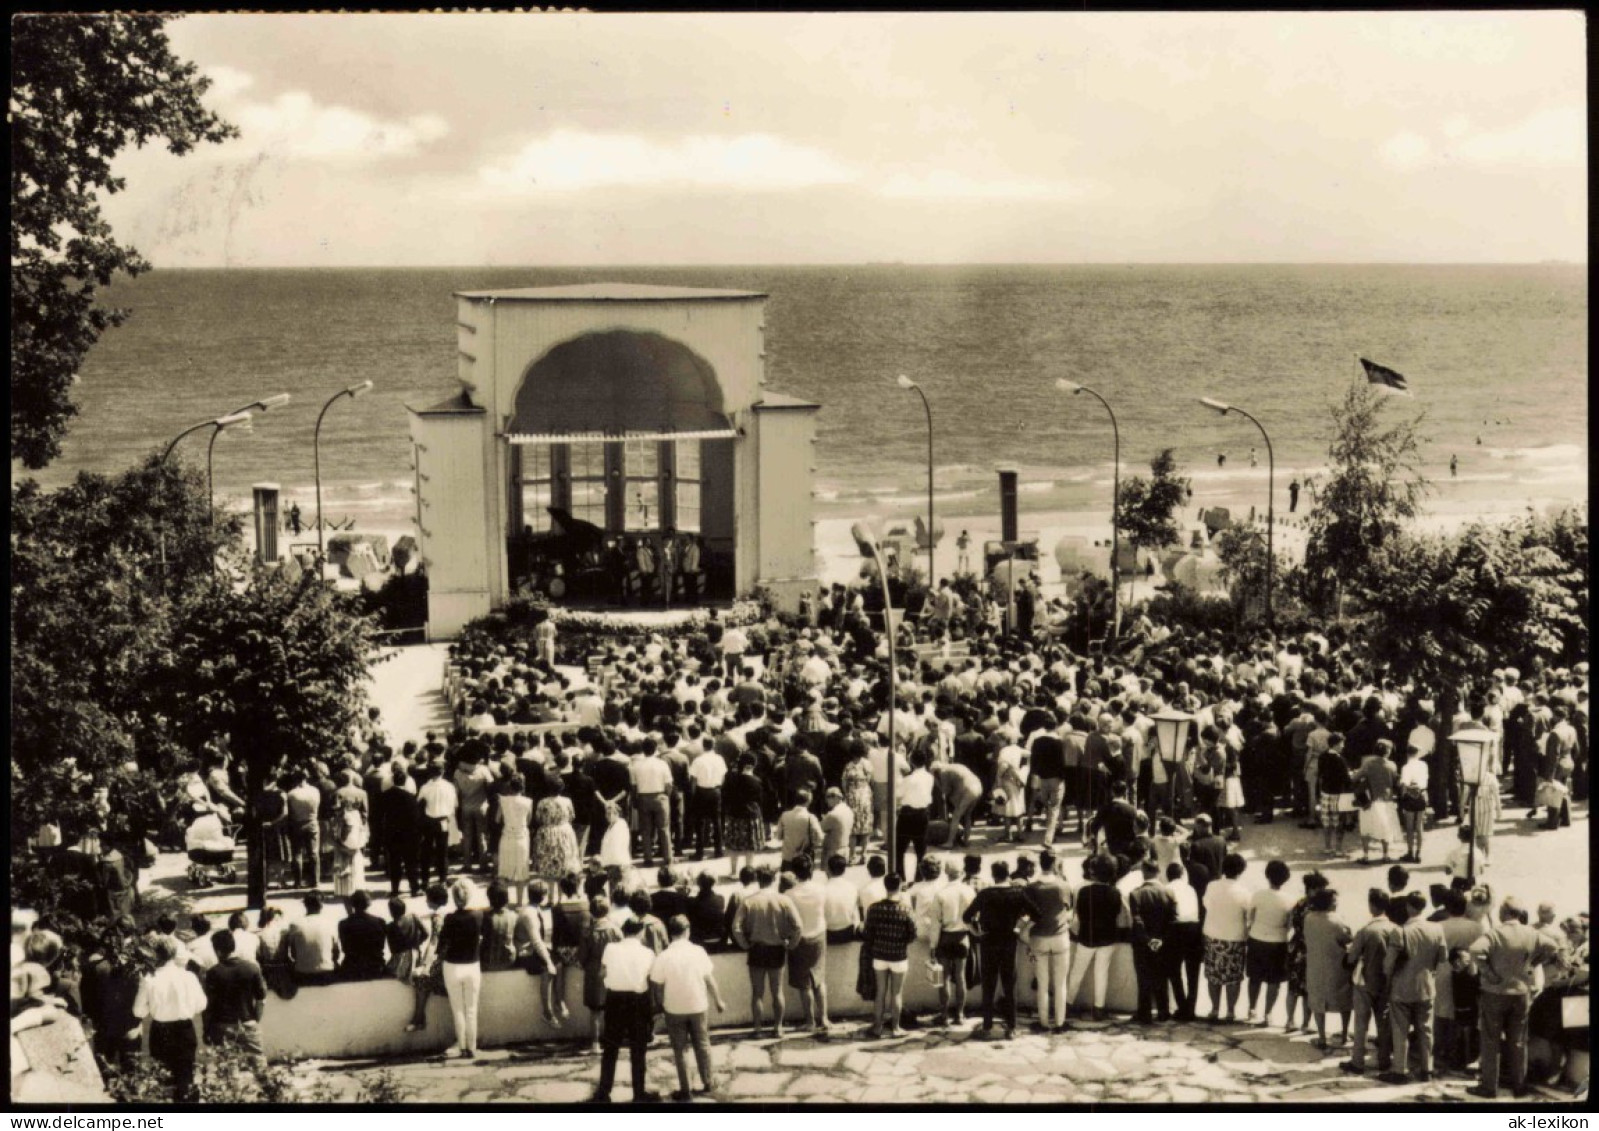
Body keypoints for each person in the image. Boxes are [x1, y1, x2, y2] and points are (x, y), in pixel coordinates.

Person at [1467, 897, 1565, 1099]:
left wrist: (1488, 972)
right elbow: (1553, 948)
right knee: (1518, 1041)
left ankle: (1488, 1087)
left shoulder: (1495, 933)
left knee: (1490, 1041)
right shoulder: (1532, 933)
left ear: (1504, 912)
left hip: (1494, 993)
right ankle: (1519, 1086)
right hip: (1521, 993)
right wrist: (1533, 962)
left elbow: (1475, 950)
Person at [965, 859, 1043, 1039]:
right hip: (1009, 941)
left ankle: (987, 1025)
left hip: (988, 942)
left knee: (989, 985)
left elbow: (966, 916)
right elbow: (1037, 914)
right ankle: (1012, 1026)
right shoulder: (1017, 892)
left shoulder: (985, 894)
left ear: (993, 874)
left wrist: (976, 933)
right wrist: (1021, 927)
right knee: (1009, 985)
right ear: (1007, 873)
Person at [650, 915, 725, 1102]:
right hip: (698, 1005)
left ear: (670, 933)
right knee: (702, 1044)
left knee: (680, 1049)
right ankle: (708, 1082)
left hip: (674, 1008)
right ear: (687, 930)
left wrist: (660, 1005)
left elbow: (657, 986)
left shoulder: (663, 956)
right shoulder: (698, 951)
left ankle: (685, 1090)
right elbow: (709, 979)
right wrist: (718, 1000)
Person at [591, 918, 661, 1104]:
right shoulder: (647, 952)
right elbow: (653, 979)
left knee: (610, 1048)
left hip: (615, 1000)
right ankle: (639, 1093)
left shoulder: (611, 949)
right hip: (639, 1001)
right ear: (639, 933)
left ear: (624, 931)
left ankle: (604, 1092)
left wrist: (611, 981)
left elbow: (601, 974)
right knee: (638, 1049)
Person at [730, 865, 802, 1039]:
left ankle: (757, 1029)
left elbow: (736, 927)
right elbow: (798, 926)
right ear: (774, 879)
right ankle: (778, 1027)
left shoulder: (748, 901)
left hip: (756, 949)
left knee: (757, 993)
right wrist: (791, 944)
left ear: (758, 879)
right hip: (777, 949)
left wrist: (745, 945)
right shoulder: (784, 900)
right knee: (777, 991)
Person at [132, 935, 207, 1100]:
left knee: (163, 1081)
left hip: (161, 1032)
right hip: (185, 1030)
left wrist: (153, 1007)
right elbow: (201, 1005)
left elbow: (138, 1012)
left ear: (155, 954)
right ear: (174, 954)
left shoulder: (149, 979)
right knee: (185, 1080)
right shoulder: (189, 977)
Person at [1341, 888, 1397, 1077]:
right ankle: (1383, 1060)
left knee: (1361, 1023)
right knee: (1384, 1023)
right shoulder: (1395, 929)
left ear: (1371, 905)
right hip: (1387, 983)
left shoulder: (1366, 931)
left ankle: (1357, 1062)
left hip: (1365, 982)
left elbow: (1351, 957)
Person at [861, 872, 917, 1039]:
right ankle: (895, 1028)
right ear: (899, 885)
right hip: (899, 956)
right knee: (896, 993)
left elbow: (868, 933)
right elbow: (913, 934)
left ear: (885, 886)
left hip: (879, 956)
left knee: (880, 993)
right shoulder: (906, 910)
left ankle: (877, 1027)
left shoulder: (874, 908)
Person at [1024, 850, 1073, 1032]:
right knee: (1060, 984)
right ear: (1054, 864)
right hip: (1060, 937)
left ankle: (1043, 1022)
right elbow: (1068, 909)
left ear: (1040, 863)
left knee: (1042, 983)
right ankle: (1060, 1022)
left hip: (1038, 938)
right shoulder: (1063, 885)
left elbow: (1026, 914)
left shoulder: (1031, 888)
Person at [1202, 853, 1251, 1023]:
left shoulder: (1212, 886)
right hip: (1235, 938)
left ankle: (1214, 1009)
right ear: (1241, 871)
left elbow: (1207, 904)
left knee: (1213, 975)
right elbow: (1248, 916)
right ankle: (1230, 1011)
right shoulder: (1244, 892)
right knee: (1233, 978)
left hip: (1213, 935)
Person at [1303, 886, 1353, 1050]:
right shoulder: (1337, 920)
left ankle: (1322, 1037)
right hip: (1336, 966)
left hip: (1315, 965)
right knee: (1344, 1000)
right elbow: (1347, 938)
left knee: (1318, 1000)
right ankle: (1345, 1035)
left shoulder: (1308, 918)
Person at [1128, 859, 1178, 1025]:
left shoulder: (1135, 894)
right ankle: (1163, 1011)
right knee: (1161, 977)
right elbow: (1173, 920)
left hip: (1142, 943)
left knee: (1144, 978)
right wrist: (1161, 939)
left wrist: (1148, 940)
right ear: (1158, 872)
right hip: (1163, 943)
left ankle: (1145, 1013)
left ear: (1144, 872)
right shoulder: (1169, 893)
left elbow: (1137, 920)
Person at [785, 855, 832, 1034]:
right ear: (811, 869)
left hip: (801, 938)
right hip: (819, 934)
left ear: (794, 872)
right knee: (820, 980)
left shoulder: (790, 894)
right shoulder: (821, 889)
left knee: (805, 984)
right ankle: (824, 1018)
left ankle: (810, 1021)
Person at [439, 878, 484, 1058]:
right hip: (472, 965)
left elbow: (442, 942)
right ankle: (471, 1047)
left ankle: (461, 1045)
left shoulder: (449, 918)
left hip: (453, 965)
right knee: (471, 1009)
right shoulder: (479, 916)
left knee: (457, 1009)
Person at [1245, 858, 1293, 1027]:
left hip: (1257, 939)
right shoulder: (1288, 900)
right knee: (1274, 981)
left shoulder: (1258, 895)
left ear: (1267, 876)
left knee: (1254, 978)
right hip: (1278, 942)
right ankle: (1268, 1014)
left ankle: (1251, 1009)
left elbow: (1250, 918)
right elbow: (1288, 925)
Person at [203, 928, 266, 1055]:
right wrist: (254, 1020)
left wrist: (207, 1030)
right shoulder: (252, 968)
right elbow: (261, 1000)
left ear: (218, 951)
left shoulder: (213, 973)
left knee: (228, 1069)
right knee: (259, 1068)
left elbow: (209, 1006)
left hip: (223, 1026)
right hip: (247, 1022)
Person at [514, 882, 559, 1025]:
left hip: (532, 949)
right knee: (548, 969)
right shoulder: (529, 913)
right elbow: (536, 940)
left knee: (559, 962)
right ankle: (547, 1012)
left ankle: (559, 1001)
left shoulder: (534, 909)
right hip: (525, 952)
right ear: (544, 896)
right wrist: (548, 961)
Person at [1354, 738, 1402, 863]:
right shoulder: (1392, 765)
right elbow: (1396, 782)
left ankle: (1365, 856)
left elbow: (1355, 778)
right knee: (1386, 829)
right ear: (1387, 752)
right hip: (1386, 800)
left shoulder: (1368, 763)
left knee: (1366, 828)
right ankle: (1385, 855)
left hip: (1369, 800)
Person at [530, 780, 582, 885]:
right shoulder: (567, 801)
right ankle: (559, 895)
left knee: (548, 864)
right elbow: (572, 817)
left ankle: (550, 895)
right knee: (563, 863)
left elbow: (538, 818)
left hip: (547, 832)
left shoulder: (542, 802)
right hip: (564, 832)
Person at [286, 893, 341, 986]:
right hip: (326, 971)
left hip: (303, 971)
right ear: (321, 906)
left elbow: (293, 953)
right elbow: (336, 953)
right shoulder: (330, 923)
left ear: (305, 905)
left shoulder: (295, 924)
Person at [496, 774, 533, 905]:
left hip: (507, 837)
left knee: (504, 870)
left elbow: (497, 819)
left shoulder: (503, 800)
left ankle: (503, 901)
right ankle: (519, 902)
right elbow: (528, 821)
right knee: (522, 871)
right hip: (522, 837)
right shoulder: (528, 802)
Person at [338, 890, 388, 981]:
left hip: (352, 966)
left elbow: (345, 948)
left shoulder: (343, 924)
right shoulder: (380, 922)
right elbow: (381, 946)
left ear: (352, 904)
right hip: (375, 965)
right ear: (368, 903)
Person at [1397, 745, 1429, 863]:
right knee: (1419, 826)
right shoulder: (1424, 765)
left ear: (1408, 754)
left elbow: (1404, 784)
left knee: (1409, 827)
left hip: (1410, 796)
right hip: (1421, 794)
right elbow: (1425, 781)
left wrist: (1401, 797)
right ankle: (1419, 853)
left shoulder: (1406, 767)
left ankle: (1410, 852)